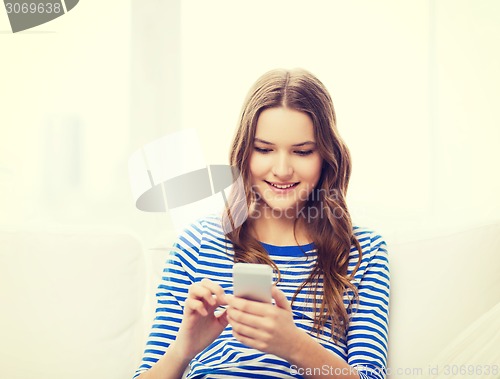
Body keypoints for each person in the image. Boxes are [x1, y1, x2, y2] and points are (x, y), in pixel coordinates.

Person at [133, 68, 390, 379]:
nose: (282, 169)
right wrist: (184, 349)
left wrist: (294, 345)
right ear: (244, 152)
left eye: (302, 151)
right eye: (264, 149)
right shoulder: (198, 243)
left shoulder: (363, 253)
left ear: (326, 156)